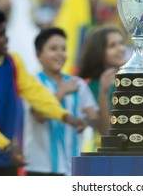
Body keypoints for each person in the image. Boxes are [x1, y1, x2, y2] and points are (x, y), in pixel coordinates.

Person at [0, 7, 86, 176]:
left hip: (5, 148)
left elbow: (35, 92)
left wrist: (64, 115)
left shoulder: (13, 61)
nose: (7, 38)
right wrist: (7, 146)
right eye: (0, 34)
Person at [23, 27, 104, 176]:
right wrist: (61, 92)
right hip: (40, 168)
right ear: (38, 54)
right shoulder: (32, 84)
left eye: (63, 49)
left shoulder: (78, 84)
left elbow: (94, 120)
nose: (60, 54)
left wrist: (90, 119)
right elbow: (39, 116)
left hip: (72, 168)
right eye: (53, 49)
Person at [79, 26, 127, 151]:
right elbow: (106, 132)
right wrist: (103, 92)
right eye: (112, 46)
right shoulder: (91, 87)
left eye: (122, 43)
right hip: (109, 157)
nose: (120, 49)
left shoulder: (137, 78)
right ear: (99, 52)